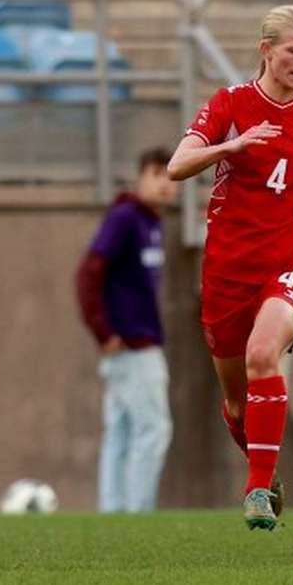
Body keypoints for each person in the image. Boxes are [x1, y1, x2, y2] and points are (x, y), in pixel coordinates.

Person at [167, 4, 293, 531]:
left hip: (292, 261)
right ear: (266, 50)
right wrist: (232, 145)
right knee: (237, 402)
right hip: (228, 268)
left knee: (264, 352)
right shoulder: (230, 104)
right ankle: (264, 470)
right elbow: (178, 166)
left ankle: (256, 492)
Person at [75, 147, 179, 513]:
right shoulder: (125, 218)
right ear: (140, 177)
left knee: (120, 431)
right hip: (132, 345)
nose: (166, 184)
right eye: (157, 174)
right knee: (153, 430)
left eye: (171, 176)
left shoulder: (152, 223)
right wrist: (103, 331)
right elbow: (88, 273)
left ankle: (114, 511)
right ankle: (138, 512)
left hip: (135, 343)